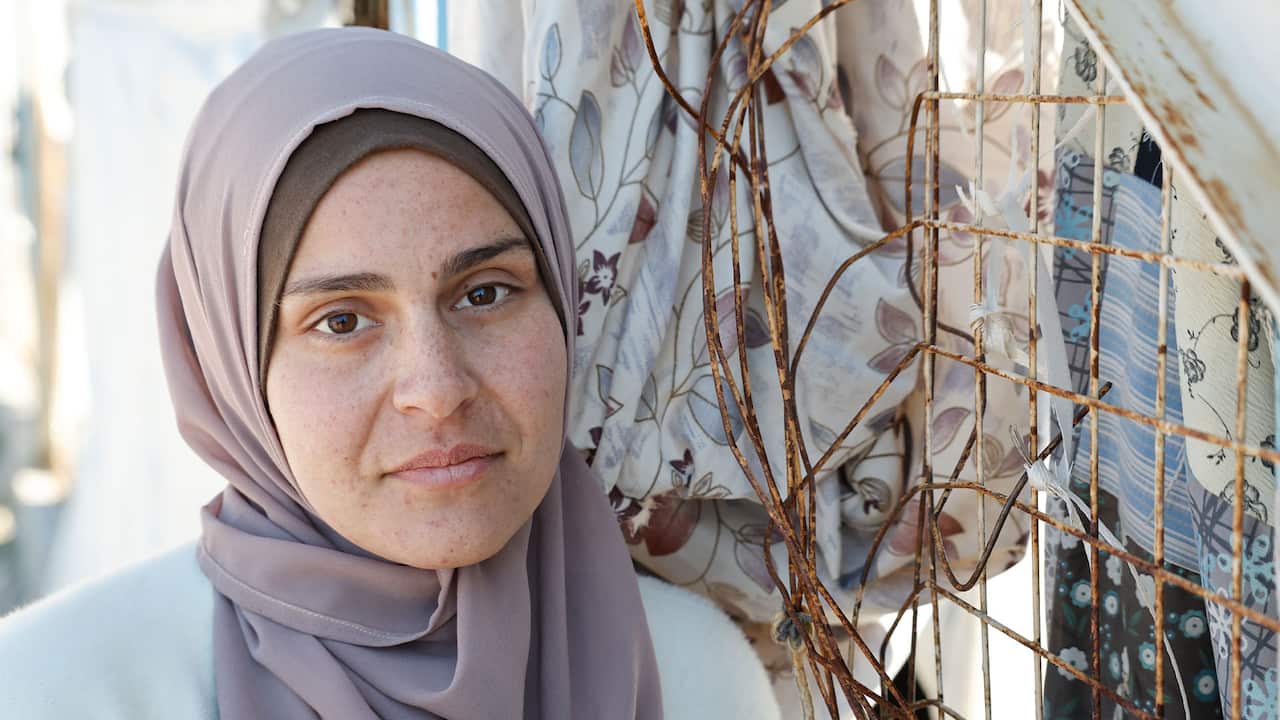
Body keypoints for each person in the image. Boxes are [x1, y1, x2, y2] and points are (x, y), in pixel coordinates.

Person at [0, 28, 780, 719]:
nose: (438, 391)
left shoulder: (695, 676)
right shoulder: (55, 691)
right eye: (342, 321)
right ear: (231, 369)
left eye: (485, 293)